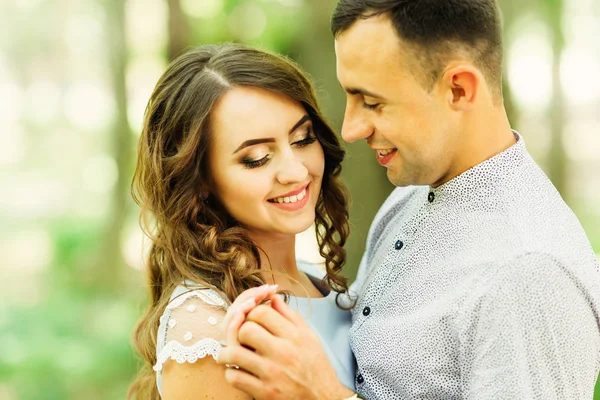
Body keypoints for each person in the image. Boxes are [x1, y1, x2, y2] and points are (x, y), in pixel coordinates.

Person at [217, 0, 600, 399]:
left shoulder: (527, 272)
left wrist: (323, 394)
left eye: (372, 102)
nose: (349, 129)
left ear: (458, 89)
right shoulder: (411, 198)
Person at [127, 43, 357, 400]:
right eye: (257, 158)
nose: (296, 171)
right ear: (199, 180)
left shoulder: (314, 278)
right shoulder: (205, 324)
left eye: (302, 138)